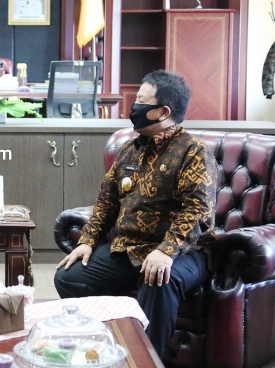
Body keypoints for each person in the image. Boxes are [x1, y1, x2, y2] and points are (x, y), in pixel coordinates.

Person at [54, 70, 218, 357]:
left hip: (185, 252)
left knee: (158, 278)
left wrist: (166, 251)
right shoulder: (129, 149)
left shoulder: (193, 152)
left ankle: (146, 359)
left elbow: (198, 211)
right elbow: (107, 202)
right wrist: (88, 241)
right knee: (69, 276)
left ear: (163, 112)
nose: (134, 107)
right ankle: (103, 347)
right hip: (131, 248)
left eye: (142, 101)